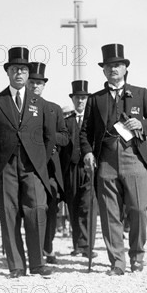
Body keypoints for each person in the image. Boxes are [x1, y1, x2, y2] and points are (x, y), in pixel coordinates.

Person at [80, 44, 147, 275]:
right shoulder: (96, 99)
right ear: (103, 71)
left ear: (125, 68)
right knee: (109, 213)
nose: (113, 69)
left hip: (134, 156)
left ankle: (137, 255)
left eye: (117, 65)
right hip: (105, 159)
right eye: (108, 66)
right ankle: (117, 262)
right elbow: (84, 132)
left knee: (137, 208)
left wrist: (142, 124)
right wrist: (87, 152)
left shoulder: (141, 92)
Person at [0, 47, 54, 278]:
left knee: (37, 210)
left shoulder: (41, 105)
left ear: (28, 73)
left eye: (23, 69)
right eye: (14, 69)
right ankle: (16, 266)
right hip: (5, 166)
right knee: (9, 213)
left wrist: (42, 160)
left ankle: (38, 263)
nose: (19, 73)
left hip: (33, 167)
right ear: (8, 72)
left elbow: (49, 136)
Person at [26, 62, 69, 264]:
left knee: (50, 207)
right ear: (26, 83)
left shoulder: (54, 109)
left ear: (44, 86)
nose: (35, 86)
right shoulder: (19, 109)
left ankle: (48, 246)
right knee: (29, 207)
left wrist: (51, 140)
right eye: (32, 82)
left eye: (39, 83)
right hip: (26, 166)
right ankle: (30, 249)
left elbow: (65, 136)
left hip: (50, 168)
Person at [60, 80, 97, 257]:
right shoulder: (65, 122)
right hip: (71, 169)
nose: (80, 101)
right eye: (77, 98)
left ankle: (88, 245)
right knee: (73, 206)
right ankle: (77, 245)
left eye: (83, 98)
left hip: (89, 168)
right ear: (73, 99)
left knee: (88, 206)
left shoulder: (93, 122)